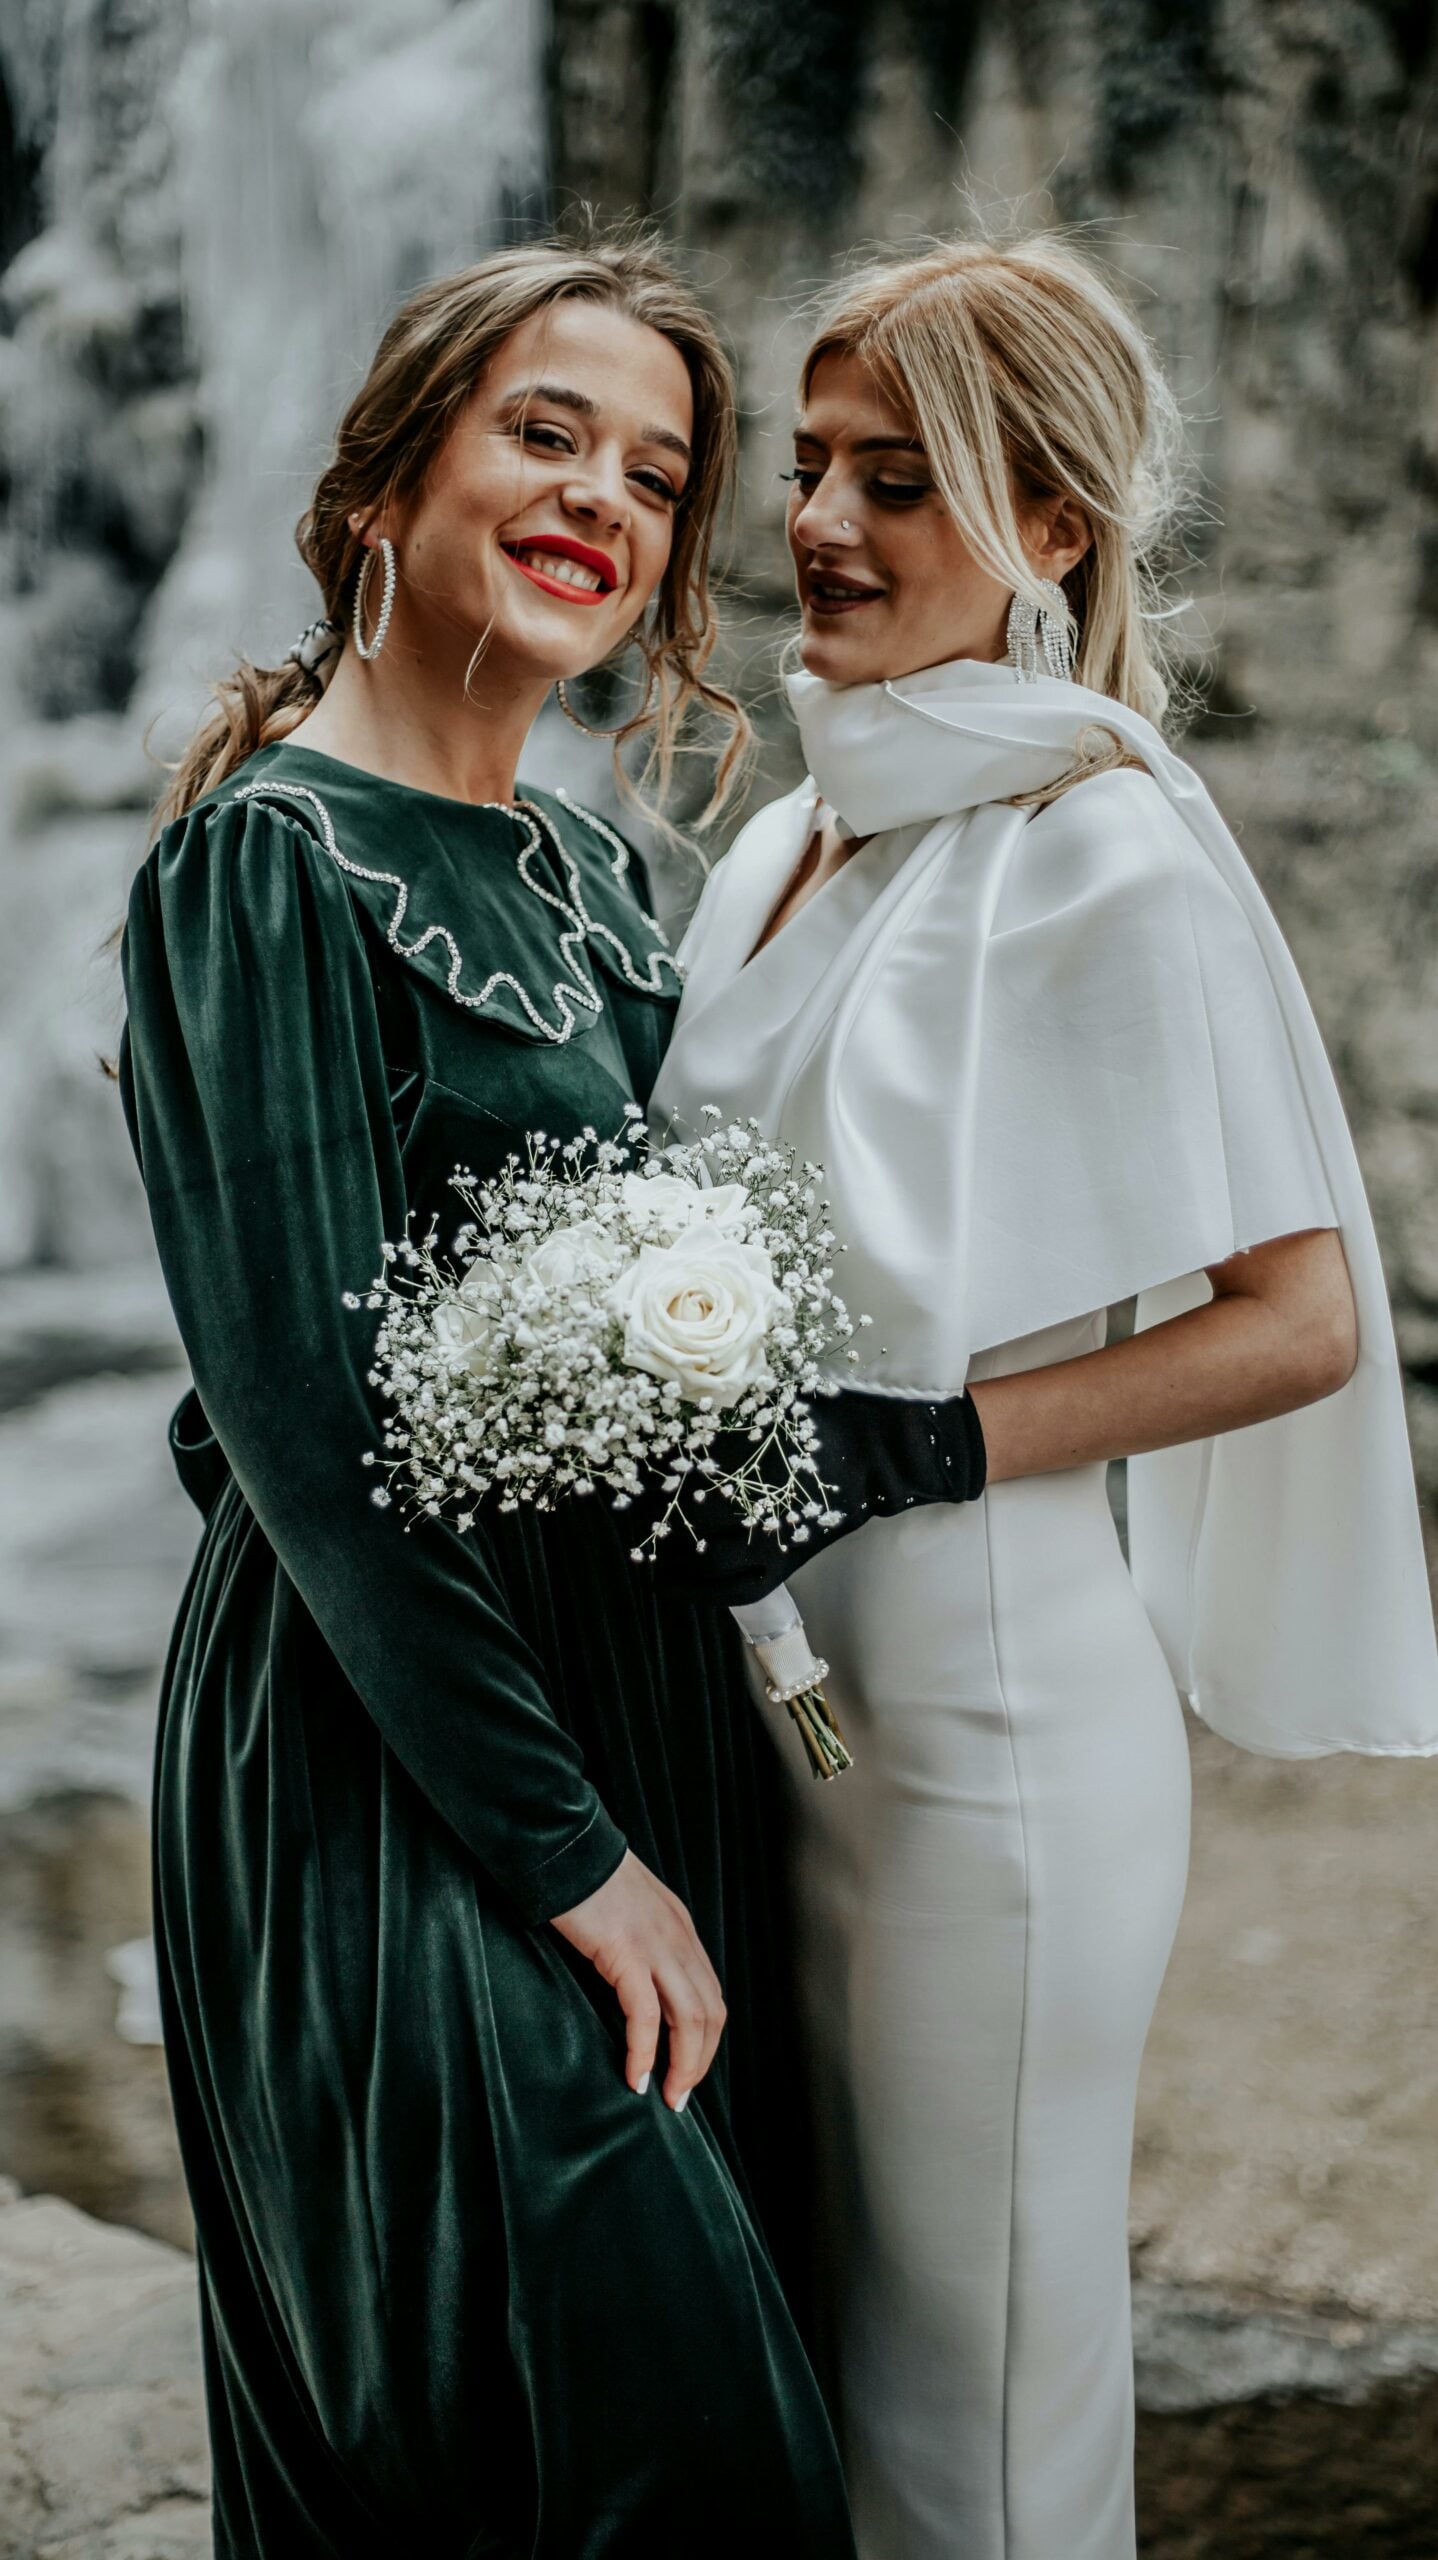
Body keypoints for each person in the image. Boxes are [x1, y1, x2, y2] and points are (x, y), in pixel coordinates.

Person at [650, 234, 1438, 2560]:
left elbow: (1294, 1315)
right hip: (771, 1710)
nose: (816, 520)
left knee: (972, 2411)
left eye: (898, 476)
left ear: (1051, 524)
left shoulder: (1098, 842)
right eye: (807, 464)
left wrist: (920, 1439)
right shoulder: (790, 839)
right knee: (811, 2346)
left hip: (986, 1732)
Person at [118, 232, 860, 2558]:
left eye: (653, 473)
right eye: (546, 431)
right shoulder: (265, 867)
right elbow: (315, 1431)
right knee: (638, 2431)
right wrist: (563, 1852)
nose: (601, 501)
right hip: (384, 1750)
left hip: (630, 1694)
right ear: (387, 475)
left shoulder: (611, 884)